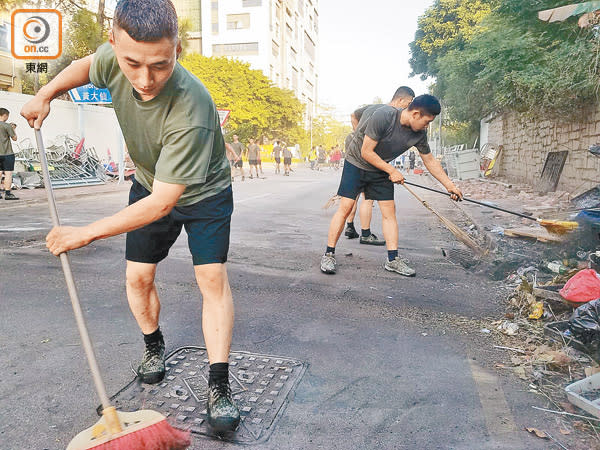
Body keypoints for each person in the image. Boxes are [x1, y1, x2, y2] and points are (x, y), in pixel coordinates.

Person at [21, 0, 240, 432]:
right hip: (150, 181)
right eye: (132, 63)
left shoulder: (192, 107)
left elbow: (163, 203)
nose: (145, 79)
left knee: (210, 280)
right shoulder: (111, 59)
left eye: (160, 64)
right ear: (114, 45)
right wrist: (46, 93)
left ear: (178, 48)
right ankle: (153, 346)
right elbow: (86, 65)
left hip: (204, 194)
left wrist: (85, 233)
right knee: (138, 277)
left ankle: (219, 385)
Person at [320, 94, 462, 276]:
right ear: (416, 114)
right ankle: (329, 254)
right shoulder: (384, 116)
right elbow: (366, 152)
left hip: (380, 168)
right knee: (346, 207)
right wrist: (392, 171)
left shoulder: (419, 134)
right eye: (427, 122)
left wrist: (449, 185)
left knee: (389, 211)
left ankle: (393, 260)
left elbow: (430, 161)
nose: (427, 126)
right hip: (356, 163)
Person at [344, 86, 415, 244]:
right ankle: (365, 233)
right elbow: (354, 116)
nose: (408, 107)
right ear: (400, 99)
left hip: (360, 154)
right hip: (366, 157)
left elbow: (354, 115)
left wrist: (359, 134)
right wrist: (362, 138)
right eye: (409, 102)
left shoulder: (376, 109)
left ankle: (350, 226)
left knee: (352, 198)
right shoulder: (384, 114)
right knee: (366, 199)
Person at [0, 108, 19, 200]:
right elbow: (14, 138)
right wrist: (13, 129)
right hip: (7, 153)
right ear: (5, 115)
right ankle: (8, 194)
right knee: (8, 173)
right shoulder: (7, 126)